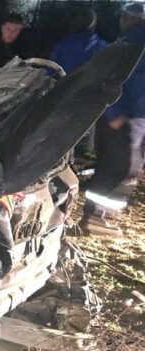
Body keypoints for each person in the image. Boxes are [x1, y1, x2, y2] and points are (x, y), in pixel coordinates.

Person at [80, 4, 145, 236]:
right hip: (126, 117)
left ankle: (100, 216)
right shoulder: (133, 42)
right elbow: (114, 78)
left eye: (124, 16)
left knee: (124, 167)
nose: (121, 20)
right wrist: (115, 112)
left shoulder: (132, 41)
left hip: (131, 116)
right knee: (120, 167)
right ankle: (94, 218)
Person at [50, 7, 108, 74]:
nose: (71, 22)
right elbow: (50, 72)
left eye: (77, 18)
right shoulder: (63, 45)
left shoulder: (103, 48)